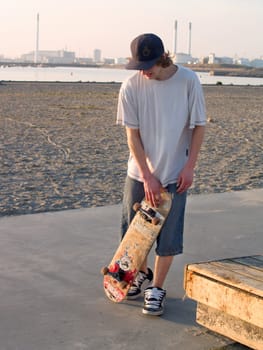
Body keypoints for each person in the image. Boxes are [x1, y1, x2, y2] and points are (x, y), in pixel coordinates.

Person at [116, 33, 206, 316]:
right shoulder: (131, 85)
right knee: (134, 234)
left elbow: (199, 126)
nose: (144, 71)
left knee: (168, 236)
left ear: (163, 57)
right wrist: (147, 175)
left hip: (175, 174)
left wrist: (189, 167)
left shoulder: (189, 81)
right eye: (139, 65)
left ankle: (156, 288)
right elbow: (132, 135)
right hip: (139, 173)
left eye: (149, 64)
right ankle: (140, 273)